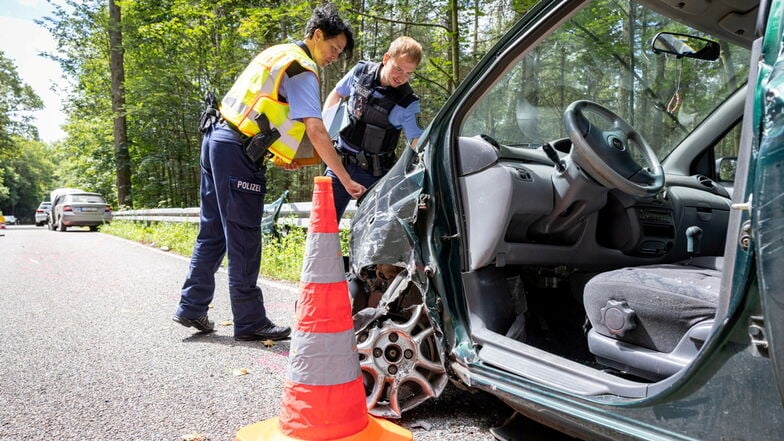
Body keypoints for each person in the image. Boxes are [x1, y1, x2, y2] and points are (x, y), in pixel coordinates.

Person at [173, 3, 365, 341]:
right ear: (317, 35)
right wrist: (345, 178)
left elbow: (263, 110)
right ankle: (249, 321)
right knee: (244, 236)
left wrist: (281, 153)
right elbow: (316, 129)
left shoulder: (277, 53)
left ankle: (192, 306)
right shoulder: (303, 68)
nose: (335, 56)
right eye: (334, 47)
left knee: (213, 231)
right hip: (236, 152)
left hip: (216, 139)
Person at [323, 36, 424, 221]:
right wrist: (325, 129)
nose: (401, 77)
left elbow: (417, 142)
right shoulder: (361, 71)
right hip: (339, 164)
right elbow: (337, 93)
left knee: (375, 237)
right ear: (386, 59)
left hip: (375, 175)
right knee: (322, 224)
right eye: (398, 68)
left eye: (408, 73)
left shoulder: (408, 102)